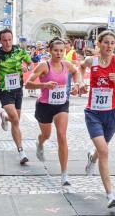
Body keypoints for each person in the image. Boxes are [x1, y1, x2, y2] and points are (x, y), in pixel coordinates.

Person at [79, 31, 115, 208]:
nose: (110, 46)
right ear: (98, 44)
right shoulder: (93, 61)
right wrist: (81, 82)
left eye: (113, 43)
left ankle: (92, 157)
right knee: (104, 151)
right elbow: (80, 68)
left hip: (112, 113)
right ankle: (110, 195)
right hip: (93, 113)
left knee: (101, 148)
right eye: (106, 42)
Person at [25, 37, 79, 186]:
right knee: (46, 135)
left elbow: (76, 72)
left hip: (62, 104)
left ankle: (64, 173)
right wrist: (44, 85)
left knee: (62, 135)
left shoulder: (67, 64)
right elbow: (27, 84)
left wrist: (77, 84)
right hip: (44, 105)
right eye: (56, 50)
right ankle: (40, 143)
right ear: (50, 51)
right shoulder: (44, 66)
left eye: (62, 50)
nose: (59, 53)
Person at [0, 29, 32, 165]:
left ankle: (4, 116)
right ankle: (21, 152)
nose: (7, 43)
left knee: (15, 119)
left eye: (9, 39)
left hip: (18, 89)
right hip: (4, 89)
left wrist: (26, 68)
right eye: (4, 40)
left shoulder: (19, 51)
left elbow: (30, 64)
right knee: (16, 120)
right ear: (0, 41)